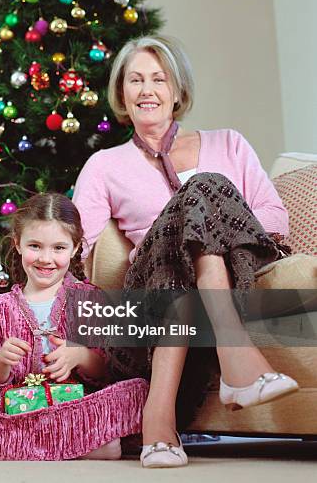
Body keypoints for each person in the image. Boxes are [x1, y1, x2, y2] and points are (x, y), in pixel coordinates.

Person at [72, 35, 299, 468]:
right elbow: (80, 248)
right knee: (199, 193)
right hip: (152, 292)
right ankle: (237, 359)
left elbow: (274, 217)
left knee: (204, 189)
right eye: (135, 80)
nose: (147, 90)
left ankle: (158, 418)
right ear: (122, 92)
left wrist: (212, 230)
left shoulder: (228, 142)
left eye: (159, 79)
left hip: (236, 273)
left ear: (177, 91)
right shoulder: (104, 165)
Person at [0, 192, 127, 460]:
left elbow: (106, 371)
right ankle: (67, 445)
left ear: (74, 249)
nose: (46, 259)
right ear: (18, 244)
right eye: (35, 246)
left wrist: (80, 355)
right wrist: (1, 360)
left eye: (58, 248)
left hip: (76, 407)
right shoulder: (0, 307)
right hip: (21, 410)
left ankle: (34, 445)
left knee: (134, 390)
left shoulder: (89, 299)